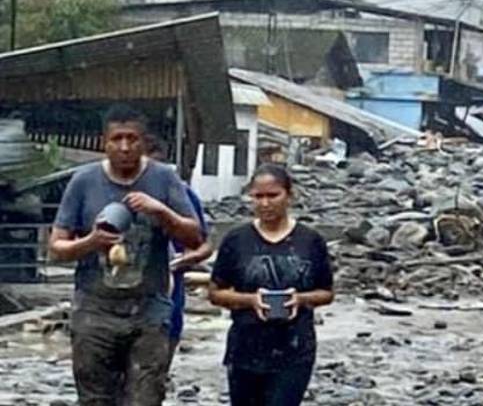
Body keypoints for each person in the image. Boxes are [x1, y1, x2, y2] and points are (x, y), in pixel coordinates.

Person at [48, 105, 203, 406]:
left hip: (148, 310)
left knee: (145, 397)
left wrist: (161, 211)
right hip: (95, 310)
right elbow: (57, 248)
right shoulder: (84, 182)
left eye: (132, 139)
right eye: (117, 139)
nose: (124, 147)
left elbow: (195, 237)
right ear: (103, 142)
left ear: (144, 142)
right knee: (94, 398)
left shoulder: (164, 179)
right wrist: (91, 241)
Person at [209, 164, 335, 406]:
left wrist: (299, 299)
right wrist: (250, 300)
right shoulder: (236, 240)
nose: (265, 203)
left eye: (272, 195)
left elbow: (327, 292)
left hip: (295, 350)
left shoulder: (310, 240)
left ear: (289, 196)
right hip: (245, 348)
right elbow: (215, 293)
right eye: (258, 196)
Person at [144, 136, 215, 368]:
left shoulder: (180, 194)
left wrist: (182, 261)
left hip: (167, 298)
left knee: (153, 380)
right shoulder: (109, 192)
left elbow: (204, 245)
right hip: (116, 305)